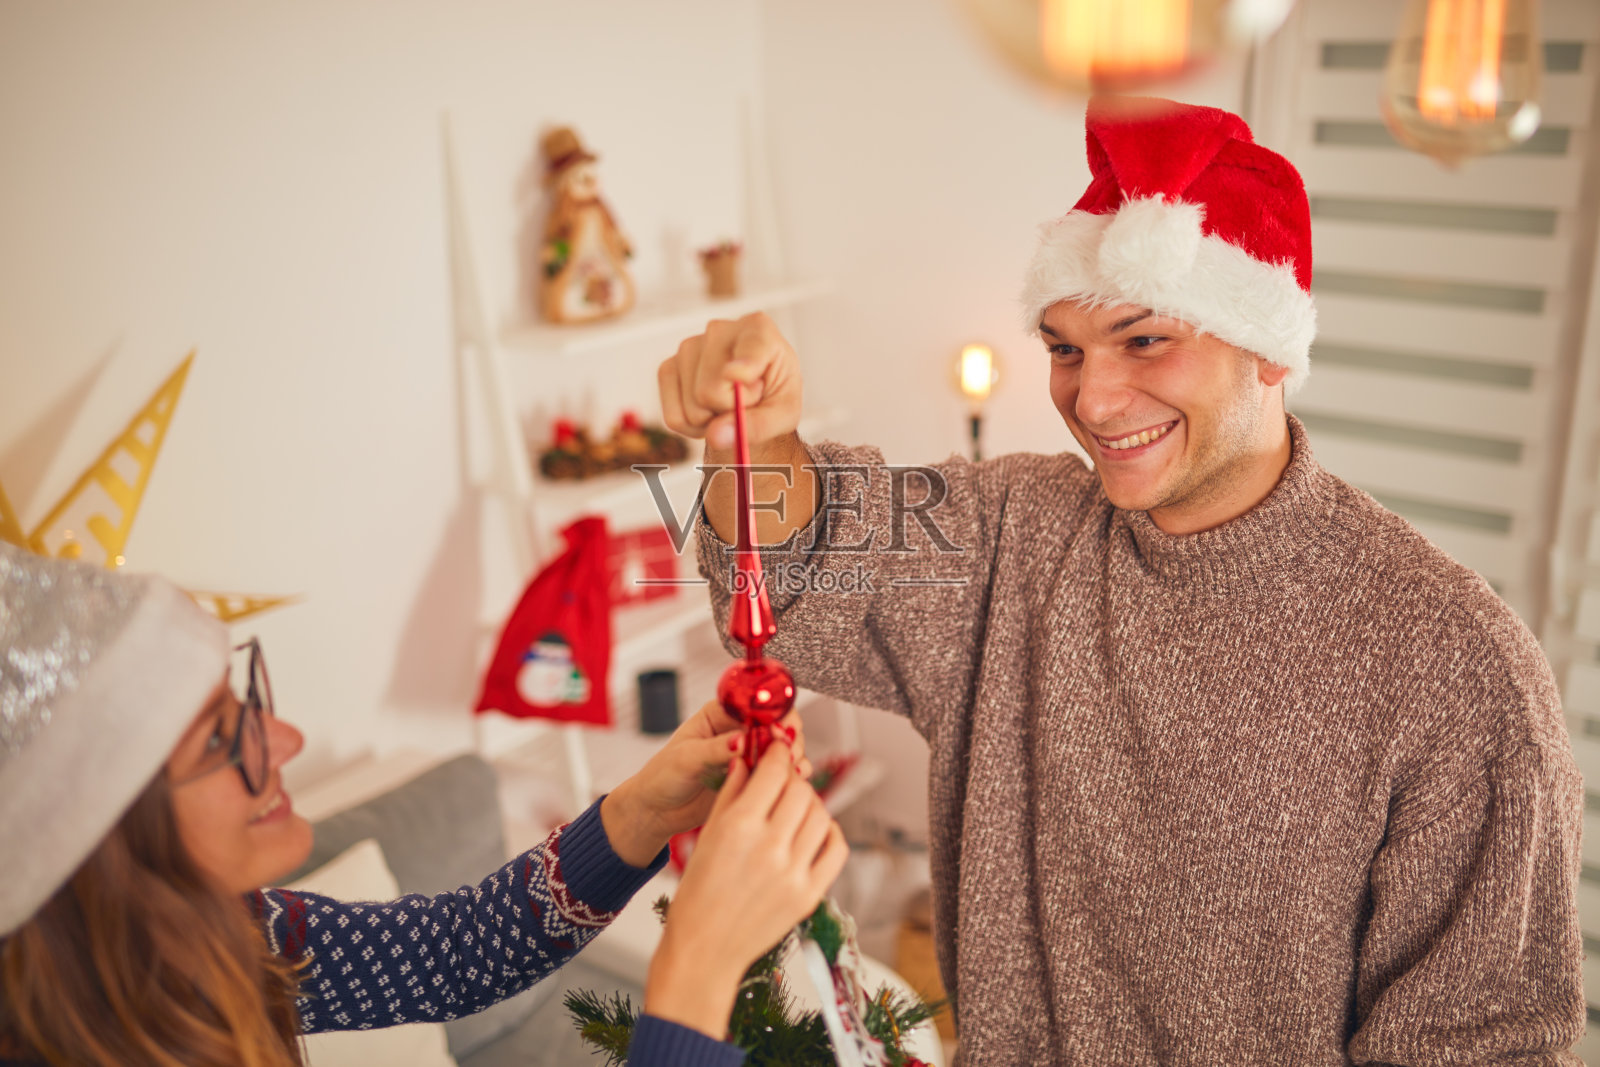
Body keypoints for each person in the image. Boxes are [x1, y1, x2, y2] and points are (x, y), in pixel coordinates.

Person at [658, 97, 1585, 1063]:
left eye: (1146, 340)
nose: (1090, 400)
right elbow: (803, 557)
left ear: (1267, 347)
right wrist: (757, 437)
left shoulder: (1460, 670)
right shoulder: (1019, 530)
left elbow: (1484, 1045)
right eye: (1065, 348)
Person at [0, 541, 848, 1066]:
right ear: (102, 838)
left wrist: (640, 812)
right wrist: (695, 967)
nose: (285, 739)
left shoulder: (231, 934)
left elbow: (452, 954)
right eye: (226, 741)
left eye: (246, 697)